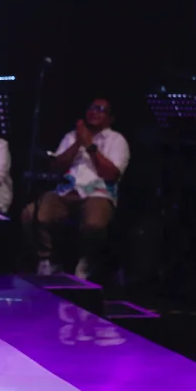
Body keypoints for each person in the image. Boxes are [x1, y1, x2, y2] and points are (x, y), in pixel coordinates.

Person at [22, 98, 130, 280]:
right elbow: (57, 167)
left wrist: (90, 146)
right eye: (92, 108)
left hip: (98, 192)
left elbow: (111, 174)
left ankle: (87, 261)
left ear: (110, 118)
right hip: (66, 191)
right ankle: (47, 259)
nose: (94, 112)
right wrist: (78, 142)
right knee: (31, 214)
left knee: (94, 224)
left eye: (101, 109)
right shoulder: (71, 136)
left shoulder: (117, 140)